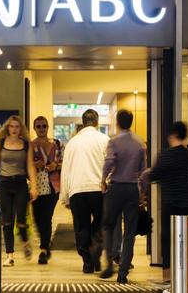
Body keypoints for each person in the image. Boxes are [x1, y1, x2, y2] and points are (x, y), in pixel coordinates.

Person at [100, 109, 147, 284]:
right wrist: (143, 192)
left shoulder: (114, 142)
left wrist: (103, 179)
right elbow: (144, 171)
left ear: (118, 123)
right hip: (132, 190)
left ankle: (109, 264)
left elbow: (110, 161)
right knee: (129, 233)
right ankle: (123, 272)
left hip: (116, 188)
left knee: (108, 225)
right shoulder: (139, 143)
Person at [60, 109, 109, 273]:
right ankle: (96, 250)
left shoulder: (72, 143)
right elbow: (111, 166)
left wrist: (65, 196)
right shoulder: (104, 140)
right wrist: (108, 183)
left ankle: (87, 262)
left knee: (81, 226)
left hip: (77, 190)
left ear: (83, 122)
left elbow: (65, 170)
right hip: (99, 189)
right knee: (101, 222)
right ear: (96, 122)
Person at [0, 115, 39, 267]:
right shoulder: (0, 143)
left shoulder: (26, 145)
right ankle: (10, 255)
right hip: (5, 184)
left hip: (21, 184)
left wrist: (34, 187)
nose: (14, 129)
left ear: (20, 128)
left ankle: (25, 241)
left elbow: (30, 166)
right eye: (12, 126)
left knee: (21, 219)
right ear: (7, 128)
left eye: (17, 126)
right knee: (7, 221)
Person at [149, 121, 188, 282]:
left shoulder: (166, 155)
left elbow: (154, 175)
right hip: (187, 203)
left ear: (173, 135)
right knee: (182, 237)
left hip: (170, 203)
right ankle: (183, 273)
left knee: (167, 239)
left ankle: (167, 276)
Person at [31, 116, 64, 264]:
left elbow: (66, 162)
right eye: (38, 126)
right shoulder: (30, 146)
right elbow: (25, 166)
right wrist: (33, 164)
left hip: (53, 186)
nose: (42, 128)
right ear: (34, 128)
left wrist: (56, 166)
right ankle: (45, 243)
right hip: (36, 187)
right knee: (37, 219)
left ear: (48, 127)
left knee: (46, 218)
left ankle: (44, 249)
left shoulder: (57, 144)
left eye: (44, 126)